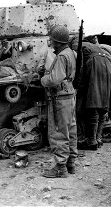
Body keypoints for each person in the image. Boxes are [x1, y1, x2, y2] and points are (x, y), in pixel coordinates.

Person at [41, 25, 78, 178]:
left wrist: (43, 79)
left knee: (58, 132)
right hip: (70, 95)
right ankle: (71, 163)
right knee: (71, 130)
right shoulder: (71, 53)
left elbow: (55, 79)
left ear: (57, 41)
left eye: (52, 40)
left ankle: (60, 168)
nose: (50, 42)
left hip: (60, 97)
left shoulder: (62, 56)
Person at [75, 38, 111, 150]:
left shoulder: (78, 45)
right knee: (103, 109)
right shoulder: (99, 48)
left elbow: (79, 66)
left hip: (94, 66)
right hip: (107, 68)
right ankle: (98, 138)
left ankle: (91, 141)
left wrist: (78, 85)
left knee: (93, 108)